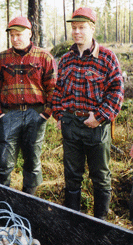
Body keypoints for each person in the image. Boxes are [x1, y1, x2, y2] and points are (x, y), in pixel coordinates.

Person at [52, 7, 124, 219]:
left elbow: (117, 92)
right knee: (72, 175)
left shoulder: (107, 58)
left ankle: (100, 223)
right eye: (74, 28)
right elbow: (58, 90)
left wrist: (100, 116)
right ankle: (73, 221)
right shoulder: (66, 59)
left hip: (96, 126)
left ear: (92, 29)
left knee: (100, 176)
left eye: (81, 27)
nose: (76, 32)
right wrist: (59, 115)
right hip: (71, 125)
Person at [0, 16, 57, 195]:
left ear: (30, 33)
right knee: (3, 163)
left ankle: (29, 202)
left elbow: (53, 89)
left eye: (19, 34)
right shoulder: (1, 59)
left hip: (36, 114)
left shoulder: (44, 57)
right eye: (12, 35)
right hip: (9, 115)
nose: (15, 39)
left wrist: (46, 114)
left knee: (32, 163)